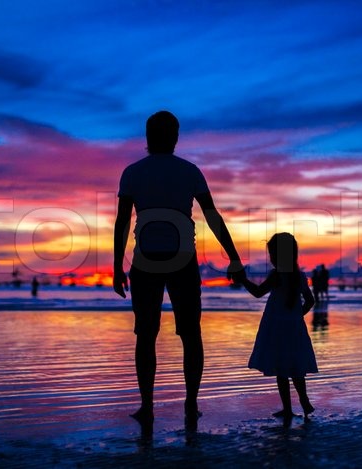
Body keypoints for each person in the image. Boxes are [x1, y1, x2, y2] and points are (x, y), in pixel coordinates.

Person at [113, 110, 245, 425]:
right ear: (175, 137)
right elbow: (213, 216)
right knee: (190, 333)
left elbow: (121, 224)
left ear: (147, 138)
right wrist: (234, 256)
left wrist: (117, 266)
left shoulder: (132, 172)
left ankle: (147, 406)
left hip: (144, 262)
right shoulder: (190, 171)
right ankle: (190, 403)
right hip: (182, 261)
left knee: (146, 335)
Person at [239, 232, 317, 419]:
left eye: (272, 254)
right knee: (296, 367)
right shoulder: (299, 275)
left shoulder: (277, 275)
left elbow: (258, 292)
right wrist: (296, 316)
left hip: (276, 328)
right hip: (294, 328)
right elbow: (310, 300)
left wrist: (242, 280)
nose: (271, 259)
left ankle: (288, 409)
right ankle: (304, 401)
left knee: (281, 369)